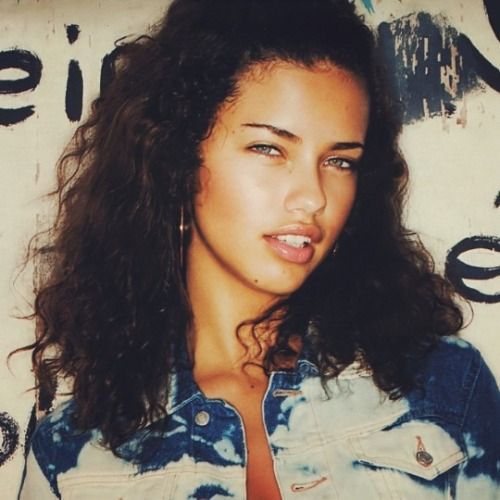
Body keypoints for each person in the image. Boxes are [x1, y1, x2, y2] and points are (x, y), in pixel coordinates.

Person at [18, 0, 499, 498]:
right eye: (269, 149)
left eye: (339, 161)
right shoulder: (75, 455)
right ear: (178, 162)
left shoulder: (442, 386)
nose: (313, 196)